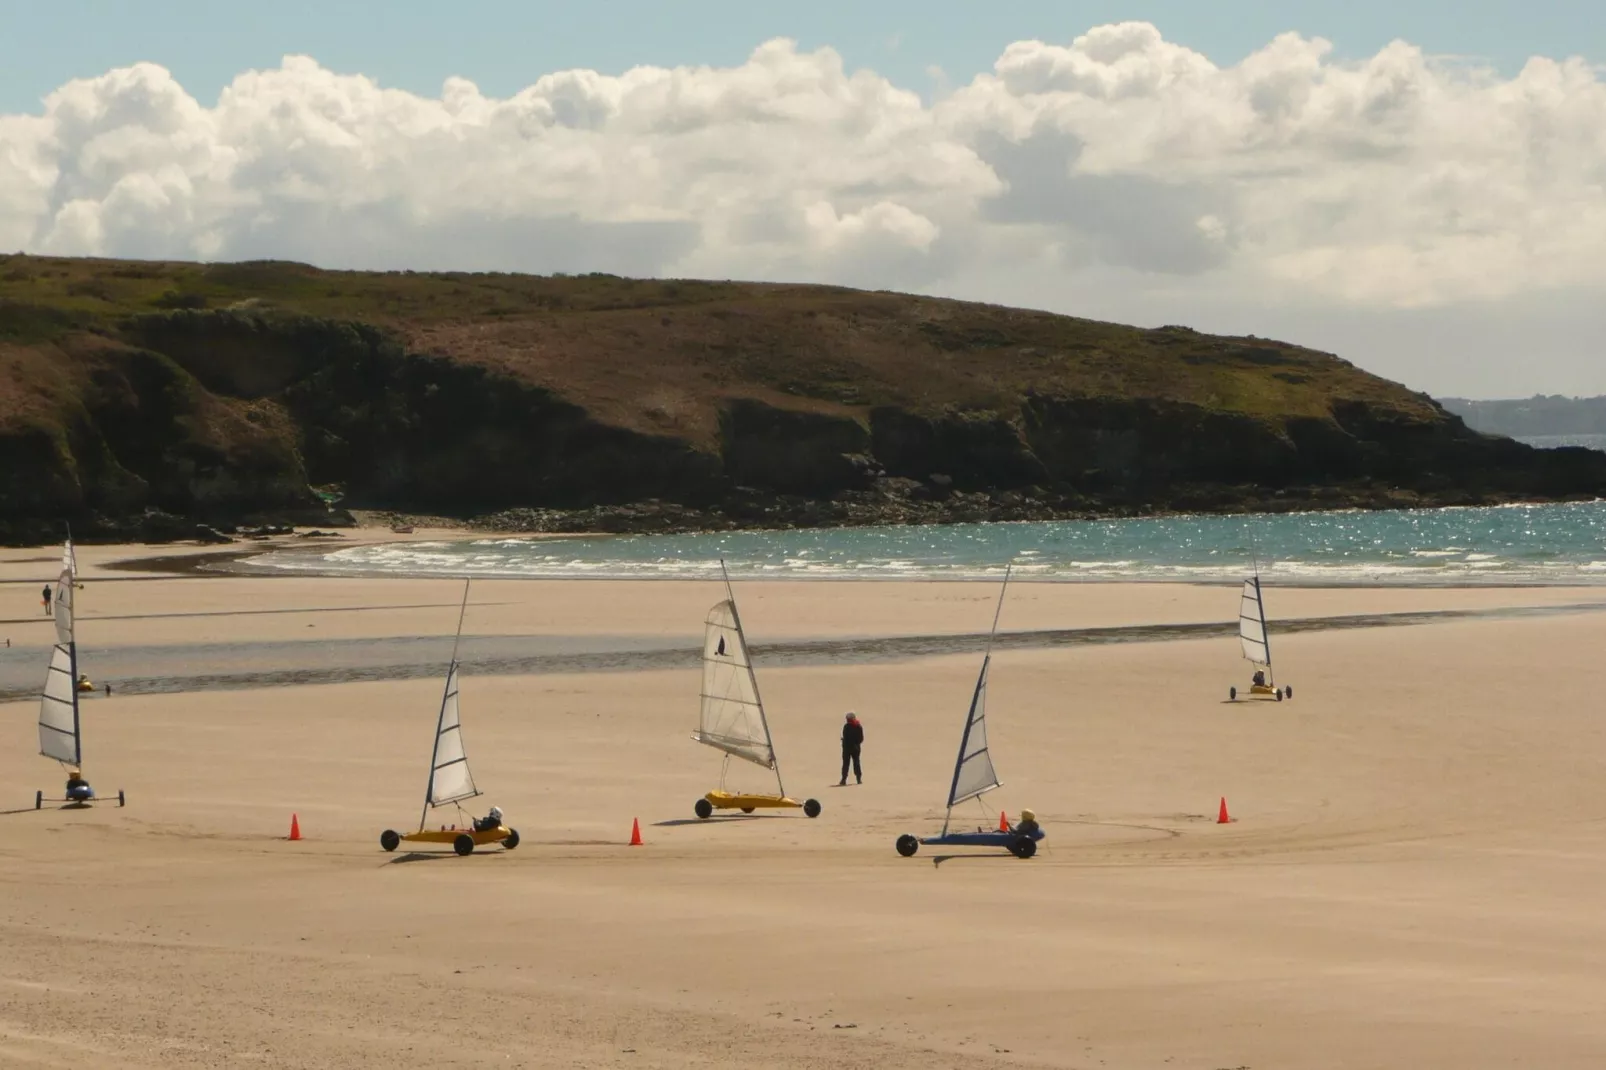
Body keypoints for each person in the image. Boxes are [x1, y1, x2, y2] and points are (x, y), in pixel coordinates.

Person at [839, 712, 864, 786]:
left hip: (847, 748)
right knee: (856, 763)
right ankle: (858, 779)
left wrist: (844, 741)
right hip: (856, 748)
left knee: (846, 764)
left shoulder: (846, 727)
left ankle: (843, 780)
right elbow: (861, 739)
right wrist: (856, 744)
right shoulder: (858, 726)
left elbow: (845, 737)